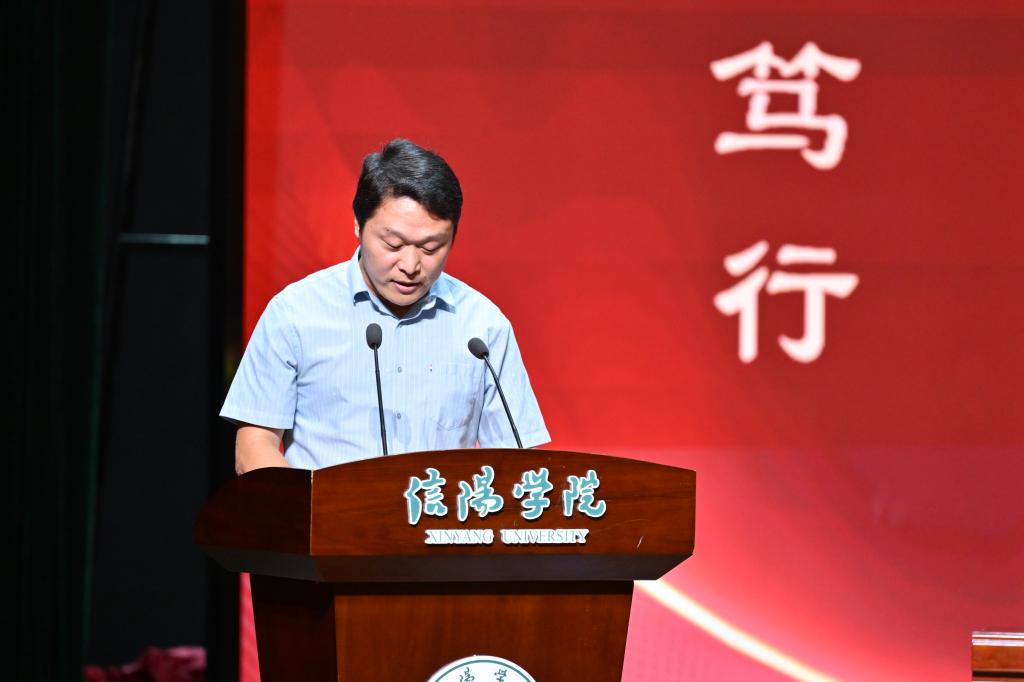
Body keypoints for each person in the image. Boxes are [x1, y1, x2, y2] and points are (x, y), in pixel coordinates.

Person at [221, 138, 549, 473]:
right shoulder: (295, 313)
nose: (410, 265)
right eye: (393, 244)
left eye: (431, 248)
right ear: (358, 224)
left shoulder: (482, 327)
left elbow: (518, 464)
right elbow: (253, 447)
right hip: (323, 507)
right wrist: (306, 505)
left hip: (436, 508)